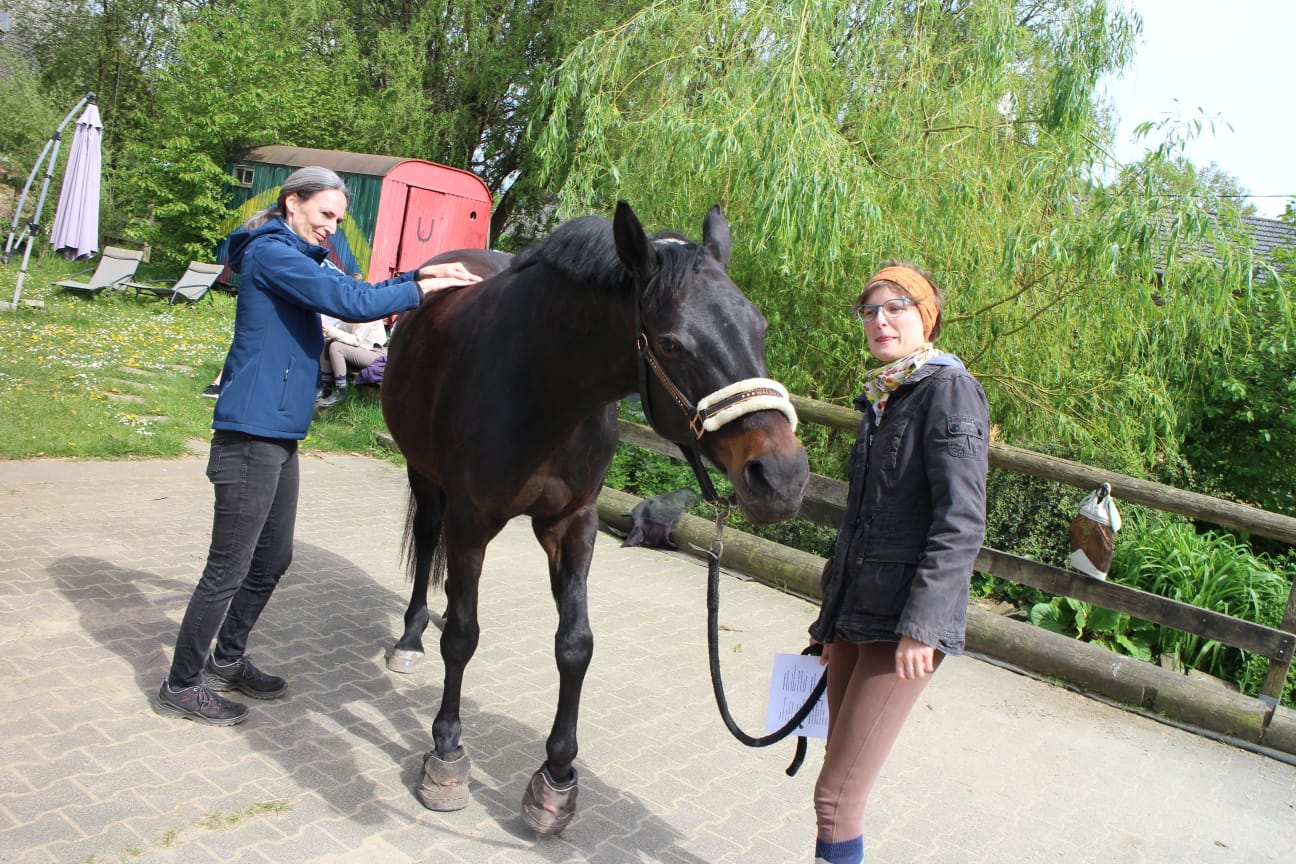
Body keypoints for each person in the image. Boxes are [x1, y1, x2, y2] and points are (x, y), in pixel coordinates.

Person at [152, 166, 480, 726]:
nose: (332, 226)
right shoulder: (271, 255)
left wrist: (415, 278)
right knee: (227, 568)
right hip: (249, 436)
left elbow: (357, 289)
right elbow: (348, 301)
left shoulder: (300, 256)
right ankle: (182, 682)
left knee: (273, 559)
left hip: (279, 436)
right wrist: (423, 286)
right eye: (325, 214)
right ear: (292, 203)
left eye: (339, 218)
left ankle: (228, 657)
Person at [807, 263, 989, 864]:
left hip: (902, 625)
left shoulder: (948, 390)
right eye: (870, 311)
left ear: (925, 317)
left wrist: (923, 627)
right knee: (839, 772)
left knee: (836, 795)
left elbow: (960, 520)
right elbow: (860, 521)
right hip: (857, 616)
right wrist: (828, 625)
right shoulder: (885, 395)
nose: (881, 320)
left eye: (897, 308)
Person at [316, 315, 388, 407]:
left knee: (336, 347)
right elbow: (340, 331)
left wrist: (331, 331)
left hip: (376, 354)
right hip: (360, 350)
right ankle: (326, 385)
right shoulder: (347, 312)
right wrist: (328, 331)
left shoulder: (369, 314)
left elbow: (356, 340)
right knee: (327, 340)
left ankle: (341, 391)